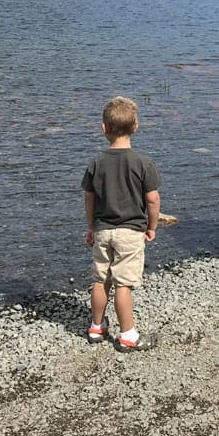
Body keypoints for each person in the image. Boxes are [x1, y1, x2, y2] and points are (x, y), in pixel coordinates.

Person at [82, 96, 162, 352]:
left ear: (104, 128)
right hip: (130, 231)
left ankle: (96, 327)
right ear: (136, 127)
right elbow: (152, 199)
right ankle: (127, 334)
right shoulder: (143, 163)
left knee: (100, 279)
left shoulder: (96, 162)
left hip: (103, 229)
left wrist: (91, 226)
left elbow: (89, 197)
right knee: (123, 284)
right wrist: (152, 226)